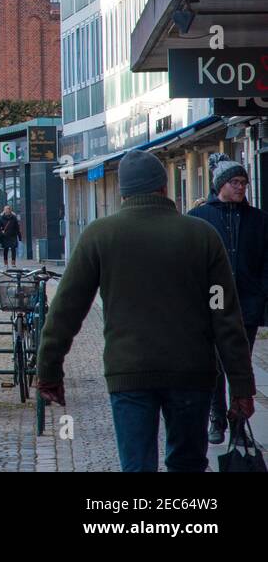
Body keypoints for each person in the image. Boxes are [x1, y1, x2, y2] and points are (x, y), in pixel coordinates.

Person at [36, 149, 255, 472]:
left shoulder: (99, 235)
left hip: (129, 372)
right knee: (188, 464)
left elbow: (66, 309)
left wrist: (49, 370)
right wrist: (241, 386)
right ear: (164, 187)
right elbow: (224, 315)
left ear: (123, 193)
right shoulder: (202, 237)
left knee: (137, 466)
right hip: (191, 373)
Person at [189, 158, 268, 444]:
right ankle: (217, 419)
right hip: (213, 304)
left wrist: (261, 294)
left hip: (246, 305)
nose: (241, 188)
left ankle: (238, 425)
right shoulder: (199, 218)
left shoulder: (258, 219)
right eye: (235, 183)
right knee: (214, 365)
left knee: (241, 366)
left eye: (244, 183)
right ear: (221, 184)